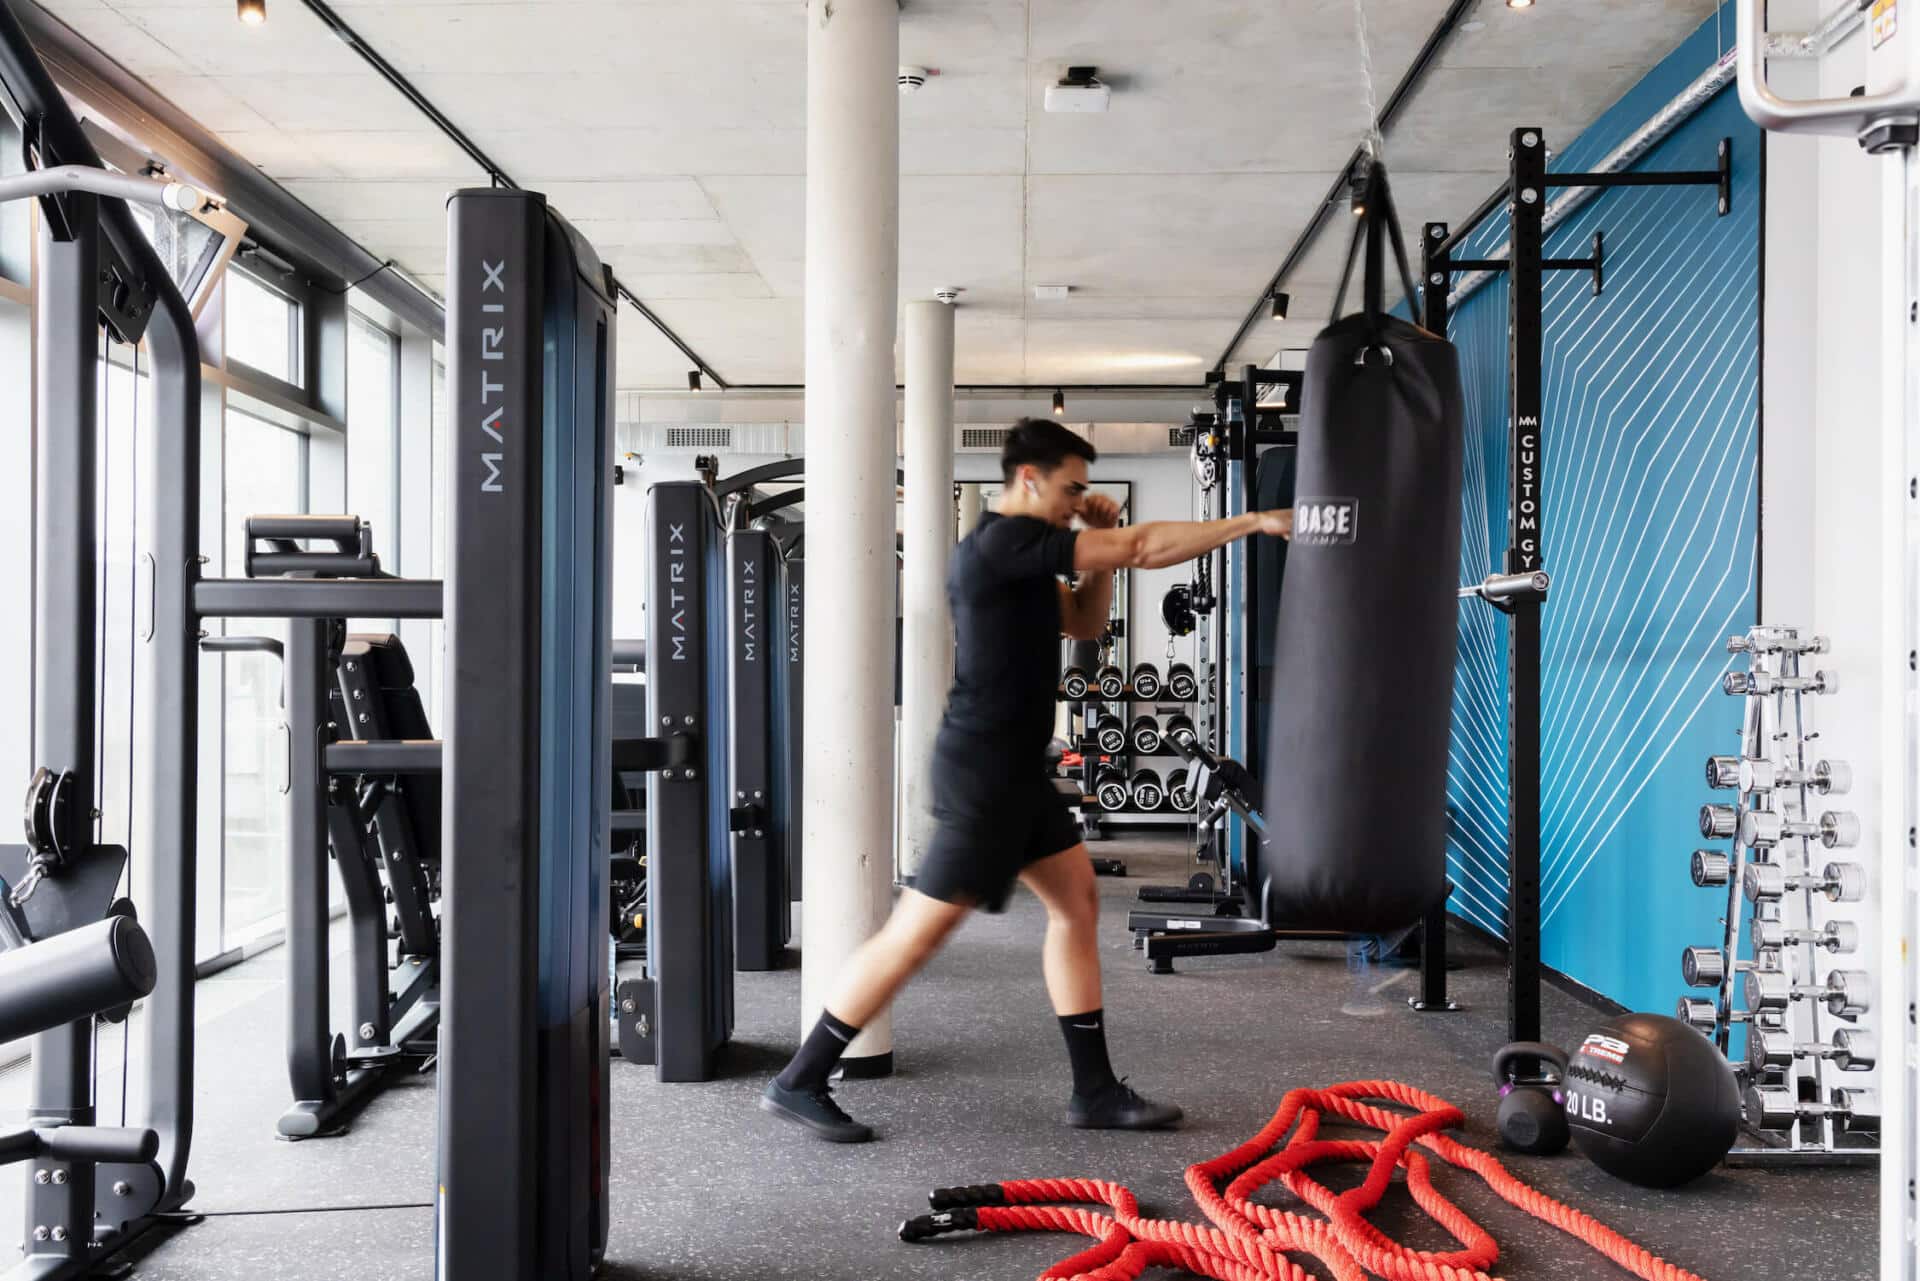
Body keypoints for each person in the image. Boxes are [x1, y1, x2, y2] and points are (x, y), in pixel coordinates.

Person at [760, 418, 1294, 1143]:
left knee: (1075, 901)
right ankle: (800, 1076)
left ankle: (1095, 1091)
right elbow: (1141, 547)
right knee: (917, 934)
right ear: (1030, 478)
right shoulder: (1004, 543)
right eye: (1072, 487)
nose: (1080, 500)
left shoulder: (1030, 557)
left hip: (1019, 770)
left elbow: (1082, 621)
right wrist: (1256, 519)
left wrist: (1098, 561)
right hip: (984, 775)